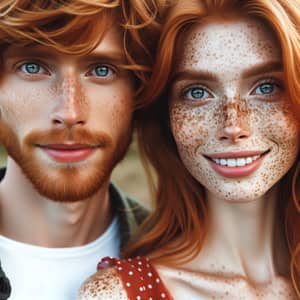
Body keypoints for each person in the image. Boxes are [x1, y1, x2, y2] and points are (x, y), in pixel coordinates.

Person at [78, 0, 300, 299]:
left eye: (267, 87)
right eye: (197, 92)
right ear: (167, 118)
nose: (233, 126)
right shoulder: (118, 293)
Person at [0, 0, 166, 299]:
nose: (69, 112)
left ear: (139, 92)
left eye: (102, 70)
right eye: (33, 67)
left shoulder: (181, 272)